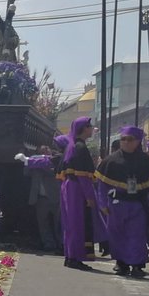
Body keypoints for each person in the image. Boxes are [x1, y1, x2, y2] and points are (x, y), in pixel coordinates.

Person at [95, 126, 149, 277]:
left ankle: (137, 265)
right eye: (123, 139)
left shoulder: (146, 162)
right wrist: (103, 204)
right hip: (116, 205)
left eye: (129, 139)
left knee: (137, 235)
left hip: (138, 204)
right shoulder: (110, 161)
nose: (125, 142)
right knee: (117, 235)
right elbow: (102, 186)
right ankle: (121, 263)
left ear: (138, 141)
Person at [59, 115, 97, 271]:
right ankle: (75, 257)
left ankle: (70, 255)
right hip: (77, 187)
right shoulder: (80, 147)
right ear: (84, 129)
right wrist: (89, 196)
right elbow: (84, 175)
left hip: (69, 186)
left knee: (70, 224)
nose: (92, 129)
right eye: (90, 126)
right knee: (77, 224)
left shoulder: (72, 146)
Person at [16, 137, 65, 252]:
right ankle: (48, 243)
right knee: (43, 223)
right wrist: (30, 162)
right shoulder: (35, 163)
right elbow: (26, 172)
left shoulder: (54, 161)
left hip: (55, 196)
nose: (44, 154)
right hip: (40, 198)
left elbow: (50, 169)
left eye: (46, 152)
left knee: (58, 223)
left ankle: (61, 243)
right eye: (41, 152)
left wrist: (39, 162)